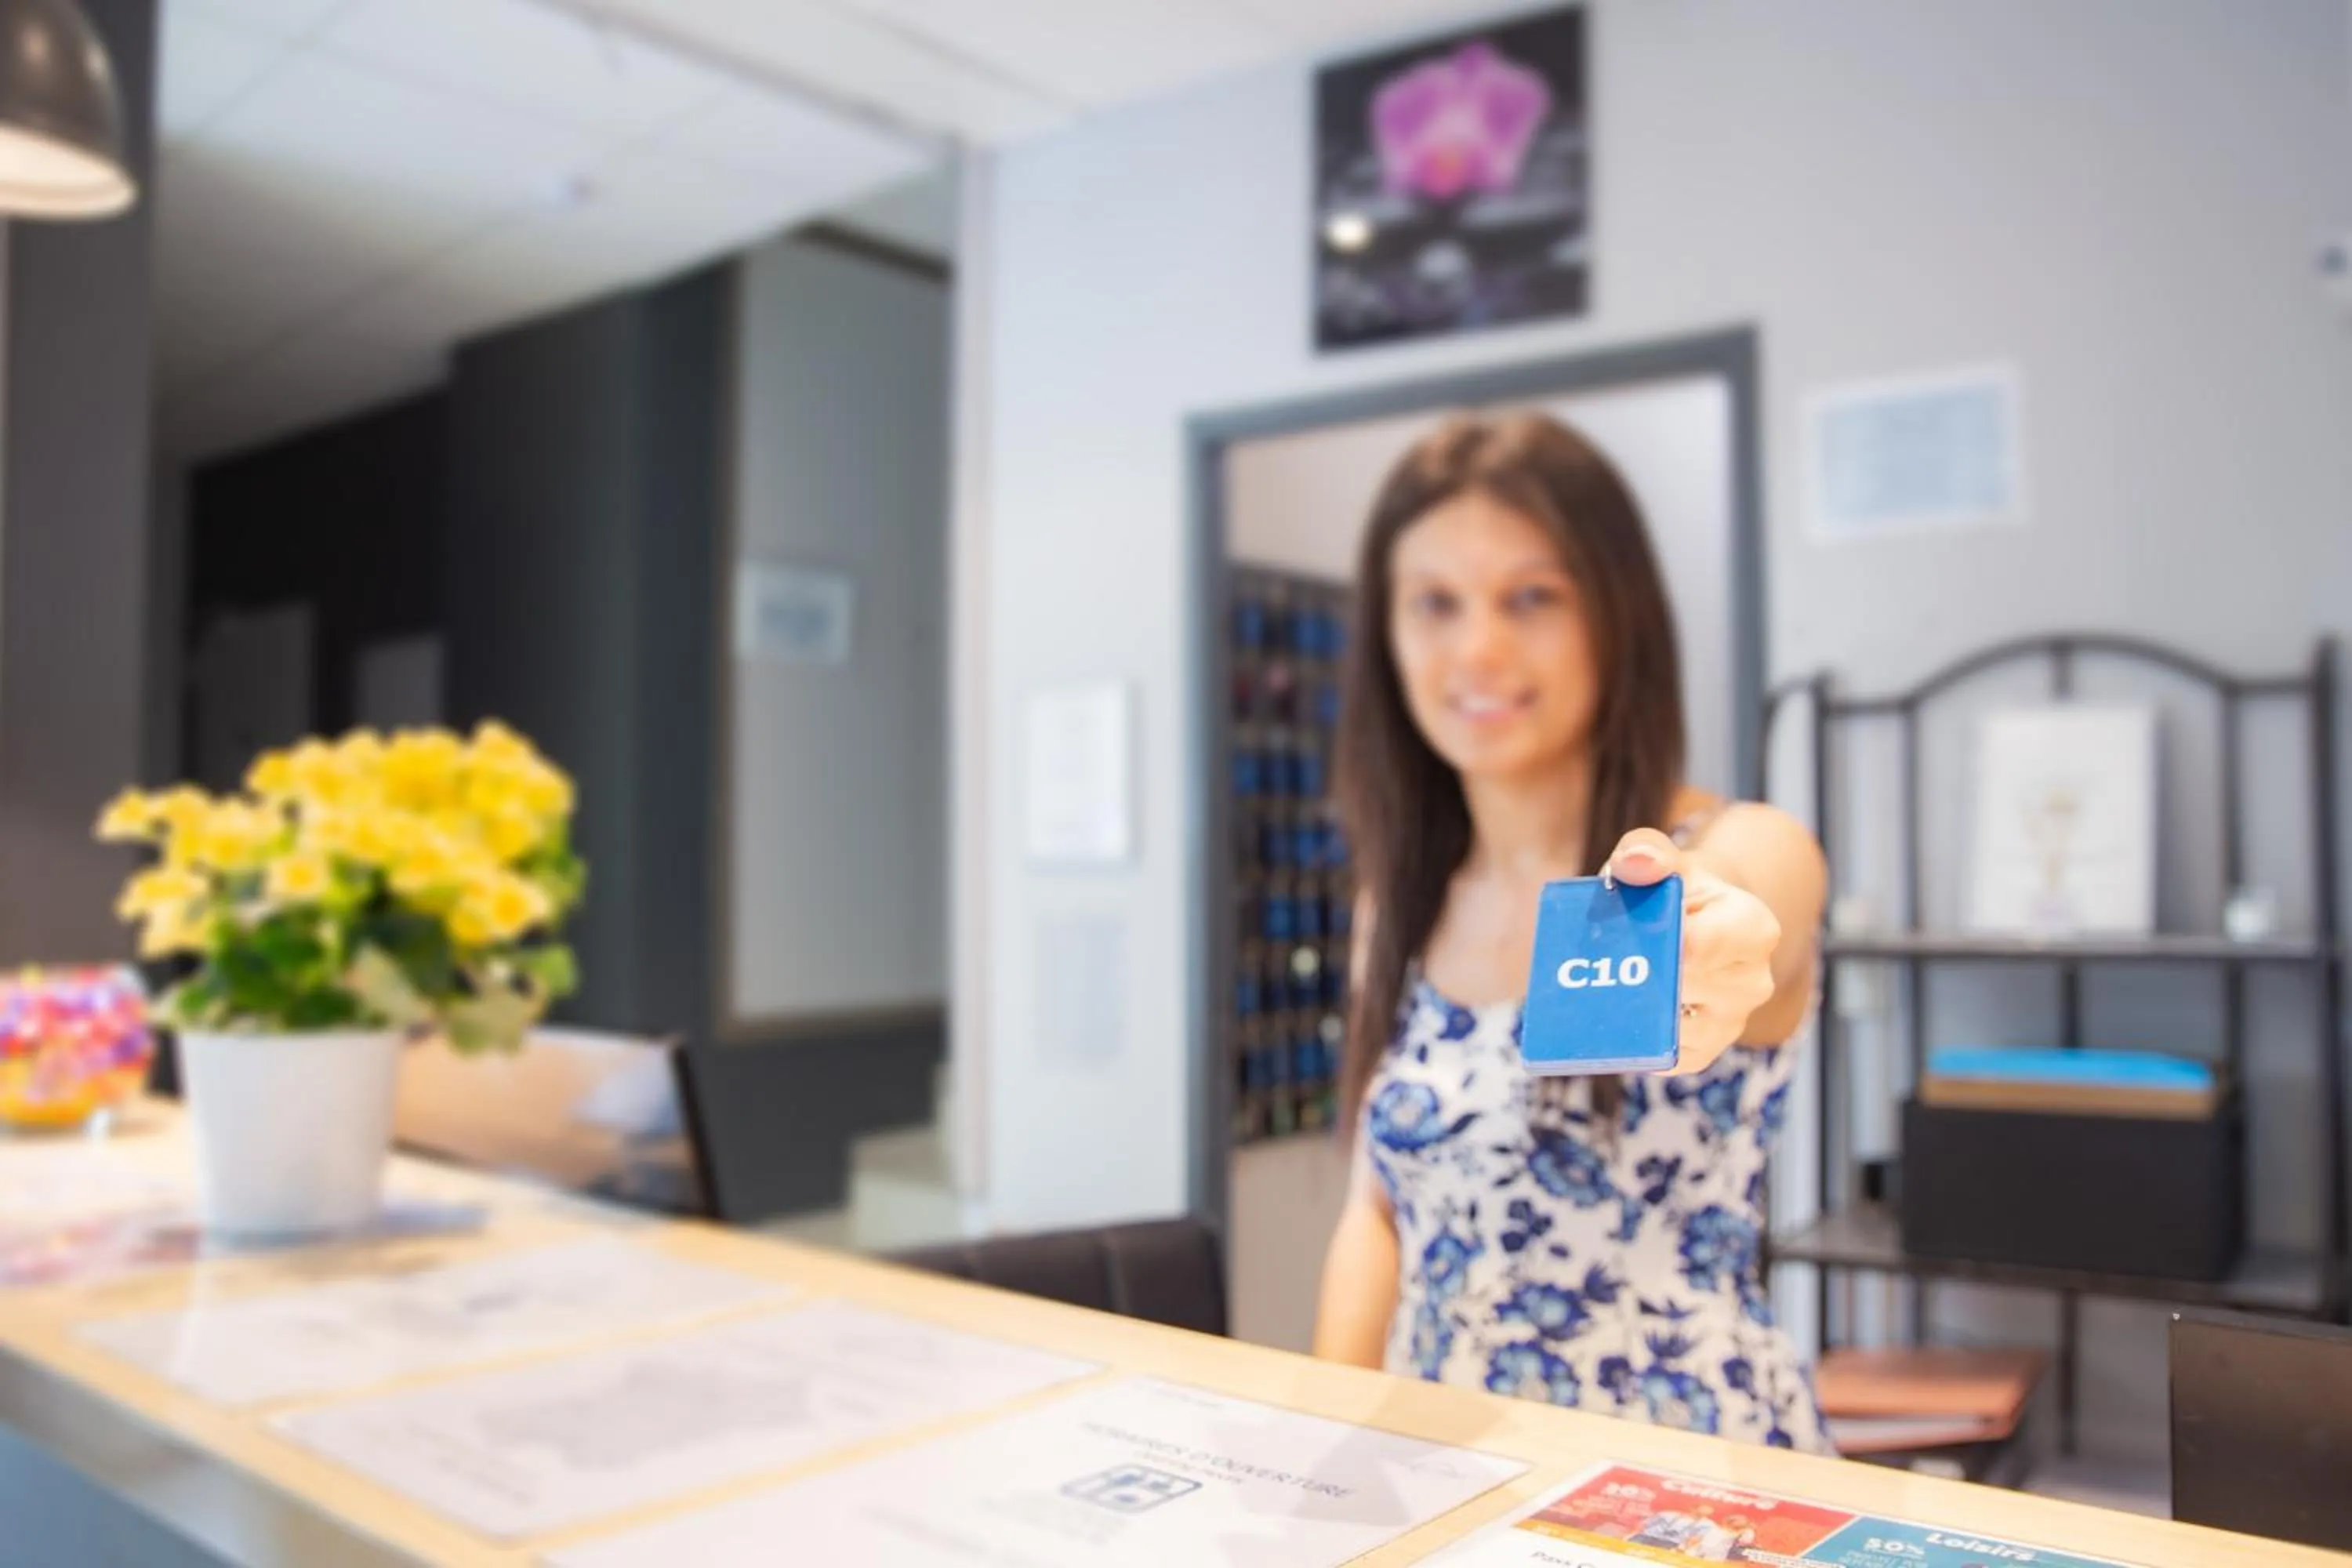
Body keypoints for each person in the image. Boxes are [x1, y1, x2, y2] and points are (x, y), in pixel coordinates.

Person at [1309, 412, 1831, 1453]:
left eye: (1531, 597)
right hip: (1441, 1475)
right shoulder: (1399, 903)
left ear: (1615, 615)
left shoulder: (1745, 846)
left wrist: (1699, 923)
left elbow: (1744, 913)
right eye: (1435, 604)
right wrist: (1321, 1453)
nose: (1480, 649)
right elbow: (1377, 1213)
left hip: (1685, 1477)